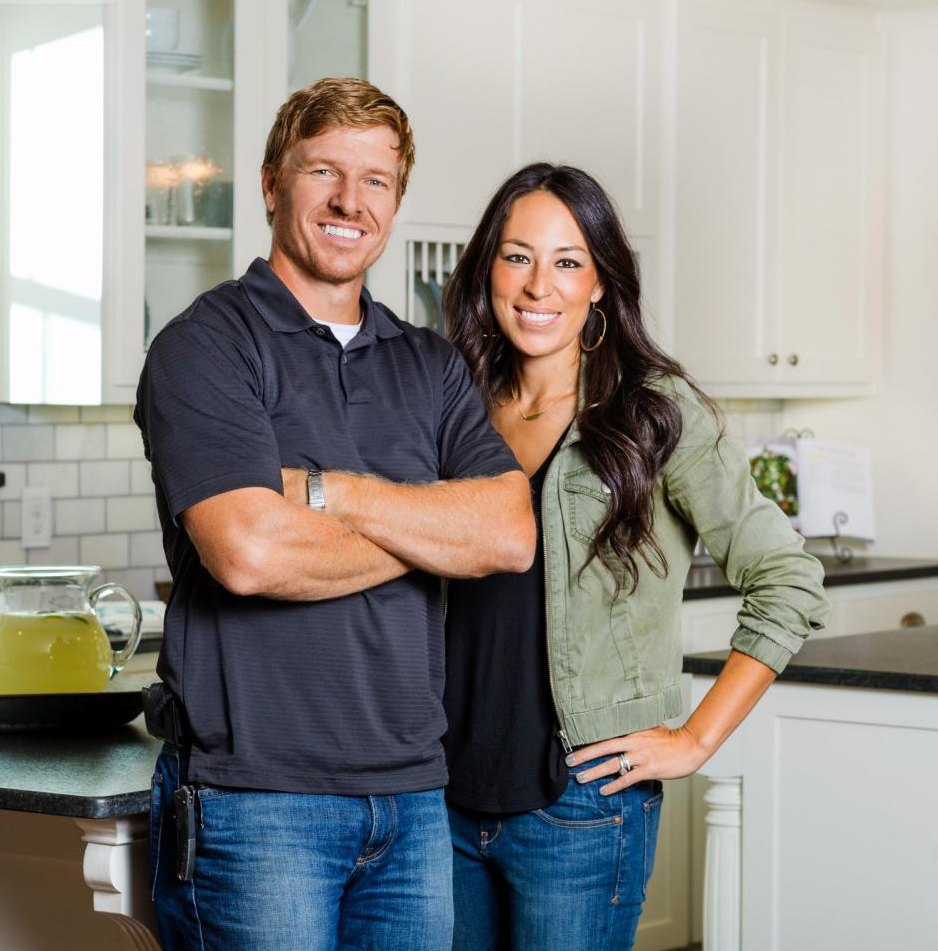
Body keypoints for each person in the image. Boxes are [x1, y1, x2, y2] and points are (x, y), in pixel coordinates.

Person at [133, 78, 534, 951]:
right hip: (254, 801)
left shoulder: (429, 364)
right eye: (324, 171)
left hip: (415, 798)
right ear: (273, 184)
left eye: (378, 181)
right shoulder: (205, 346)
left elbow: (507, 534)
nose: (351, 202)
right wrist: (434, 533)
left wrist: (329, 491)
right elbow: (250, 554)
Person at [439, 163, 831, 950]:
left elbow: (787, 577)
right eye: (517, 257)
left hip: (580, 804)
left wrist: (695, 739)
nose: (537, 285)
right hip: (440, 796)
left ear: (600, 285)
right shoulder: (453, 403)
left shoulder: (655, 412)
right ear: (489, 269)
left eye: (567, 261)